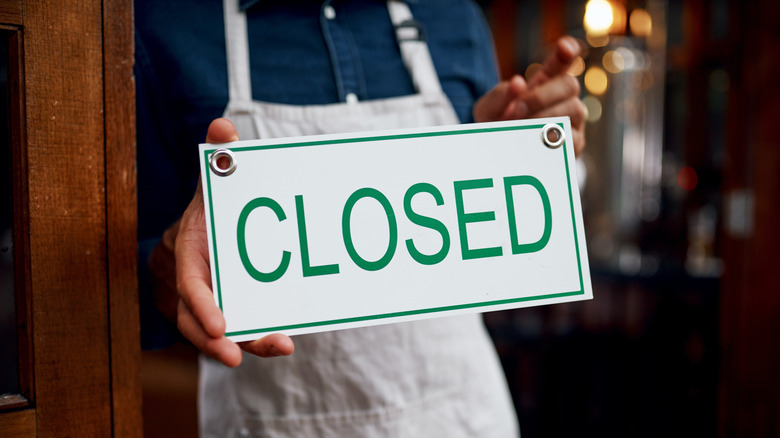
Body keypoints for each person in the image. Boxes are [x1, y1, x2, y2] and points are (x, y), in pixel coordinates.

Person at [136, 0, 585, 436]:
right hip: (270, 423)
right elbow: (133, 278)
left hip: (463, 417)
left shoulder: (455, 16)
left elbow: (484, 255)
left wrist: (518, 151)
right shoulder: (165, 23)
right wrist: (170, 268)